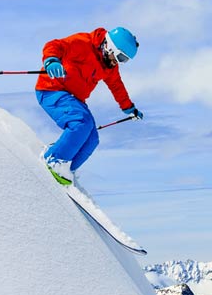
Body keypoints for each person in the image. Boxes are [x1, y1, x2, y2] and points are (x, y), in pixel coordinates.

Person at [35, 26, 143, 185]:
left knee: (92, 139)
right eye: (120, 57)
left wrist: (129, 107)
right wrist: (51, 60)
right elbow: (54, 45)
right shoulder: (84, 43)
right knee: (80, 124)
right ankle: (54, 160)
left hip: (75, 99)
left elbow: (117, 86)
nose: (119, 62)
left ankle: (66, 169)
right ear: (110, 46)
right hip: (52, 89)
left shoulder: (109, 66)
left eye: (124, 60)